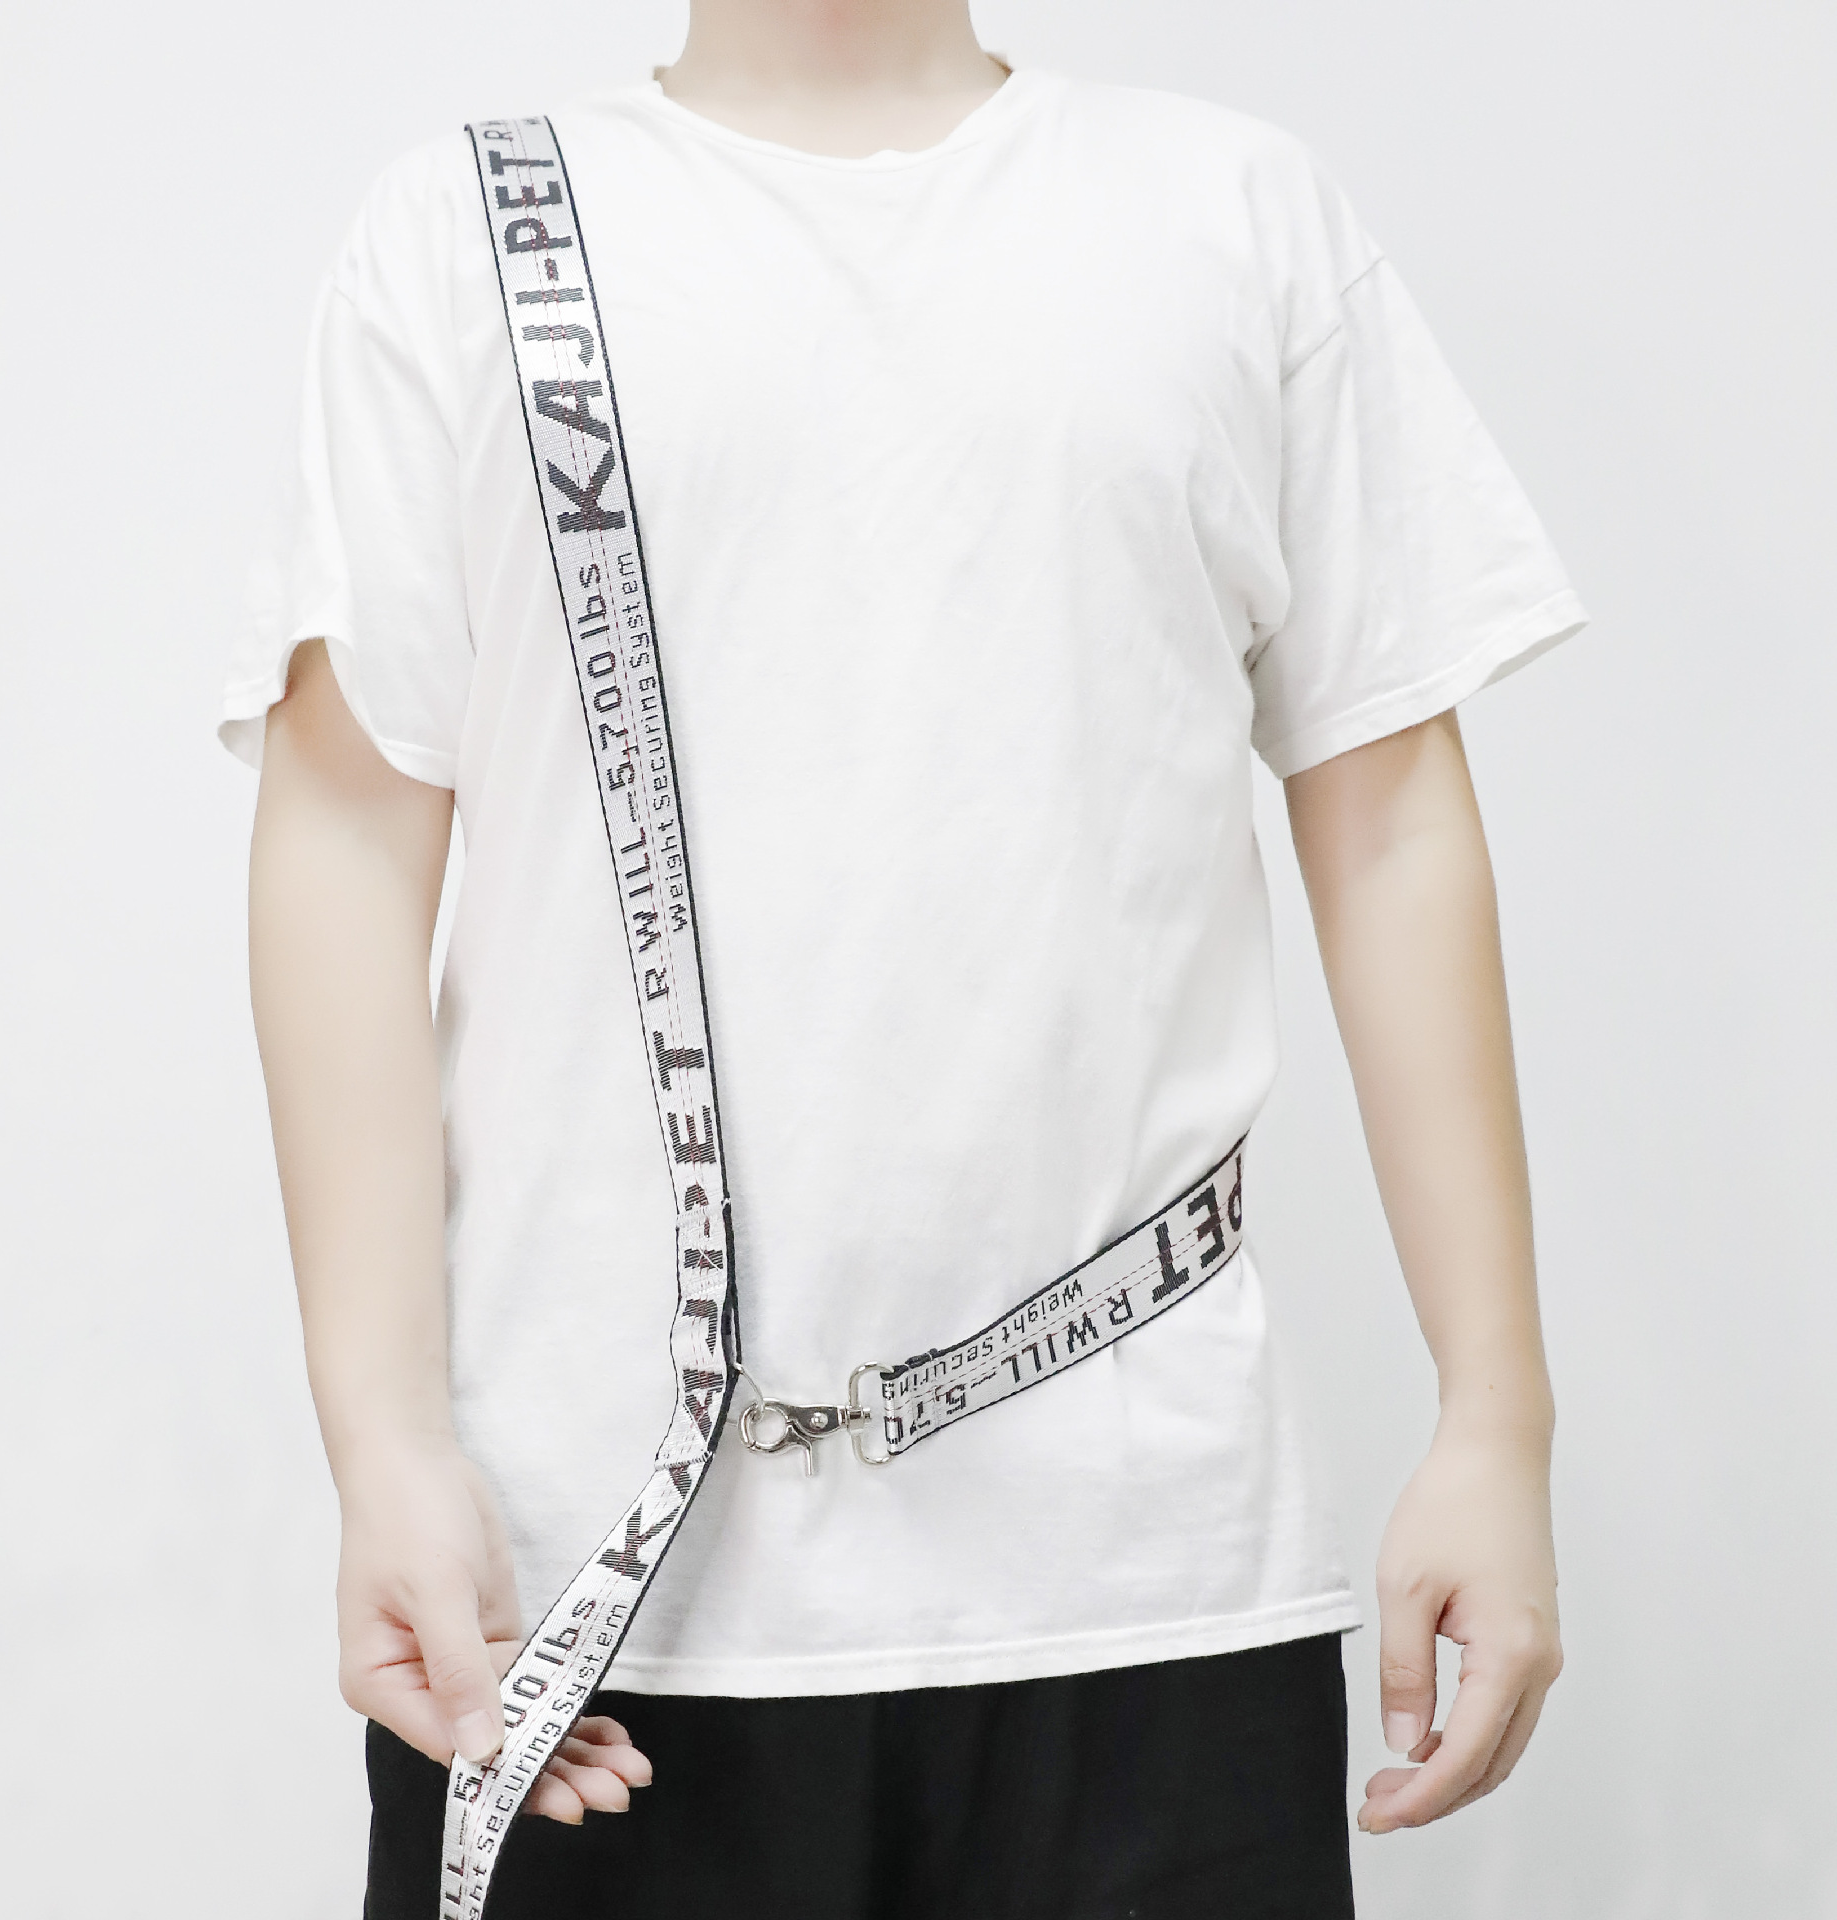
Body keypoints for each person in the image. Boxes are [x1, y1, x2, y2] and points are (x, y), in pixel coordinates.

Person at [228, 2, 1575, 1913]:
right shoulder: (466, 231)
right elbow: (347, 838)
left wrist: (1497, 1420)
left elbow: (1391, 818)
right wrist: (382, 1442)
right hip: (584, 1578)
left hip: (1148, 1570)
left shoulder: (1234, 216)